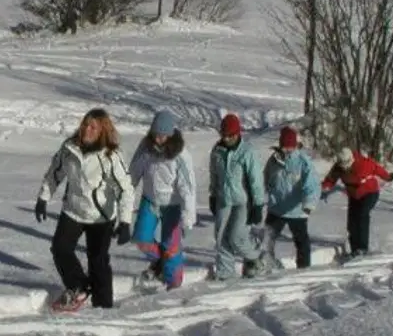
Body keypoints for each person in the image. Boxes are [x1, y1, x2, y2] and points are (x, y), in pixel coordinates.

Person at [35, 108, 135, 311]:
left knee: (98, 261)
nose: (87, 130)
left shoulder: (110, 155)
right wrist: (44, 197)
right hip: (73, 210)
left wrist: (125, 221)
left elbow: (126, 189)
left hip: (101, 216)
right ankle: (79, 286)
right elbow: (55, 173)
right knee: (60, 249)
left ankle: (104, 306)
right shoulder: (69, 148)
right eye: (85, 124)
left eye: (93, 127)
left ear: (102, 131)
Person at [130, 109, 198, 289]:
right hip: (150, 200)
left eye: (162, 135)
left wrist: (188, 215)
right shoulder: (145, 147)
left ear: (170, 134)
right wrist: (125, 197)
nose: (158, 139)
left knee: (171, 247)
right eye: (155, 134)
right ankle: (160, 262)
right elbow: (134, 172)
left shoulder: (180, 154)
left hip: (173, 205)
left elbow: (188, 187)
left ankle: (173, 283)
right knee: (142, 239)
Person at [208, 114, 265, 280]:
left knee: (236, 236)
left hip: (243, 202)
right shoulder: (217, 151)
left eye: (230, 136)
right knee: (221, 236)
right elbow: (213, 175)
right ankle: (226, 272)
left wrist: (258, 204)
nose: (227, 139)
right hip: (223, 199)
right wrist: (212, 195)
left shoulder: (247, 152)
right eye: (224, 135)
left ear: (238, 134)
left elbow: (256, 180)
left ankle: (255, 257)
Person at [262, 125, 320, 269]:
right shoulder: (273, 160)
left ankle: (304, 267)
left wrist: (309, 204)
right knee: (267, 239)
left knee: (301, 242)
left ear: (295, 146)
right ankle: (268, 265)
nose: (288, 150)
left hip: (297, 210)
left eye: (291, 147)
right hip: (276, 208)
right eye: (285, 147)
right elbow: (266, 177)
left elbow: (312, 184)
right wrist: (264, 194)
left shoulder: (303, 161)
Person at [321, 147, 393, 257]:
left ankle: (362, 248)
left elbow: (377, 169)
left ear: (351, 159)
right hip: (354, 195)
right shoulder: (338, 167)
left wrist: (388, 177)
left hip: (370, 192)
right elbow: (330, 180)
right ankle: (355, 250)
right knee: (352, 223)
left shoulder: (363, 163)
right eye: (342, 163)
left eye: (346, 162)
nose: (344, 166)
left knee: (362, 216)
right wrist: (321, 188)